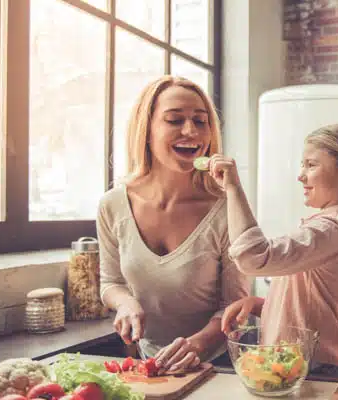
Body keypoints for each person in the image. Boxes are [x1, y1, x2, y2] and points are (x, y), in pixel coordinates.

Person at [97, 76, 251, 373]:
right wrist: (126, 303)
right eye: (174, 120)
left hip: (219, 364)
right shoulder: (112, 205)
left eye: (201, 121)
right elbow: (111, 283)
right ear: (146, 131)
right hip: (150, 363)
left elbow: (235, 306)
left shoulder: (224, 208)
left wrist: (198, 345)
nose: (191, 131)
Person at [210, 123, 338, 380]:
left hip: (315, 372)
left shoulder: (331, 229)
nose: (301, 175)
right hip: (303, 367)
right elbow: (308, 306)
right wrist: (259, 305)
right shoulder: (329, 227)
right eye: (303, 164)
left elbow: (253, 257)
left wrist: (233, 188)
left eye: (311, 165)